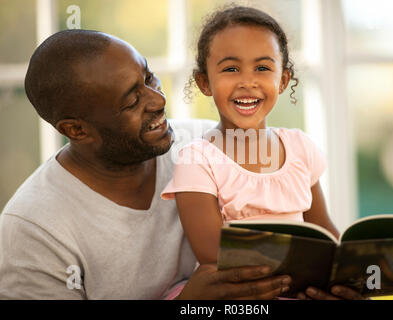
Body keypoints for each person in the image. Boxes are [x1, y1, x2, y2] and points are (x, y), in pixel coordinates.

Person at [0, 29, 363, 301]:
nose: (158, 100)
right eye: (131, 101)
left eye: (148, 77)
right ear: (76, 130)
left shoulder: (208, 146)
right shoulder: (33, 230)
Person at [161, 6, 342, 299]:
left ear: (283, 80)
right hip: (237, 292)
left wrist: (345, 270)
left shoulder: (299, 148)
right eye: (231, 69)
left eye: (262, 68)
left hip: (297, 289)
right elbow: (214, 256)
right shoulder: (197, 159)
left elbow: (324, 231)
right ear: (204, 82)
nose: (247, 82)